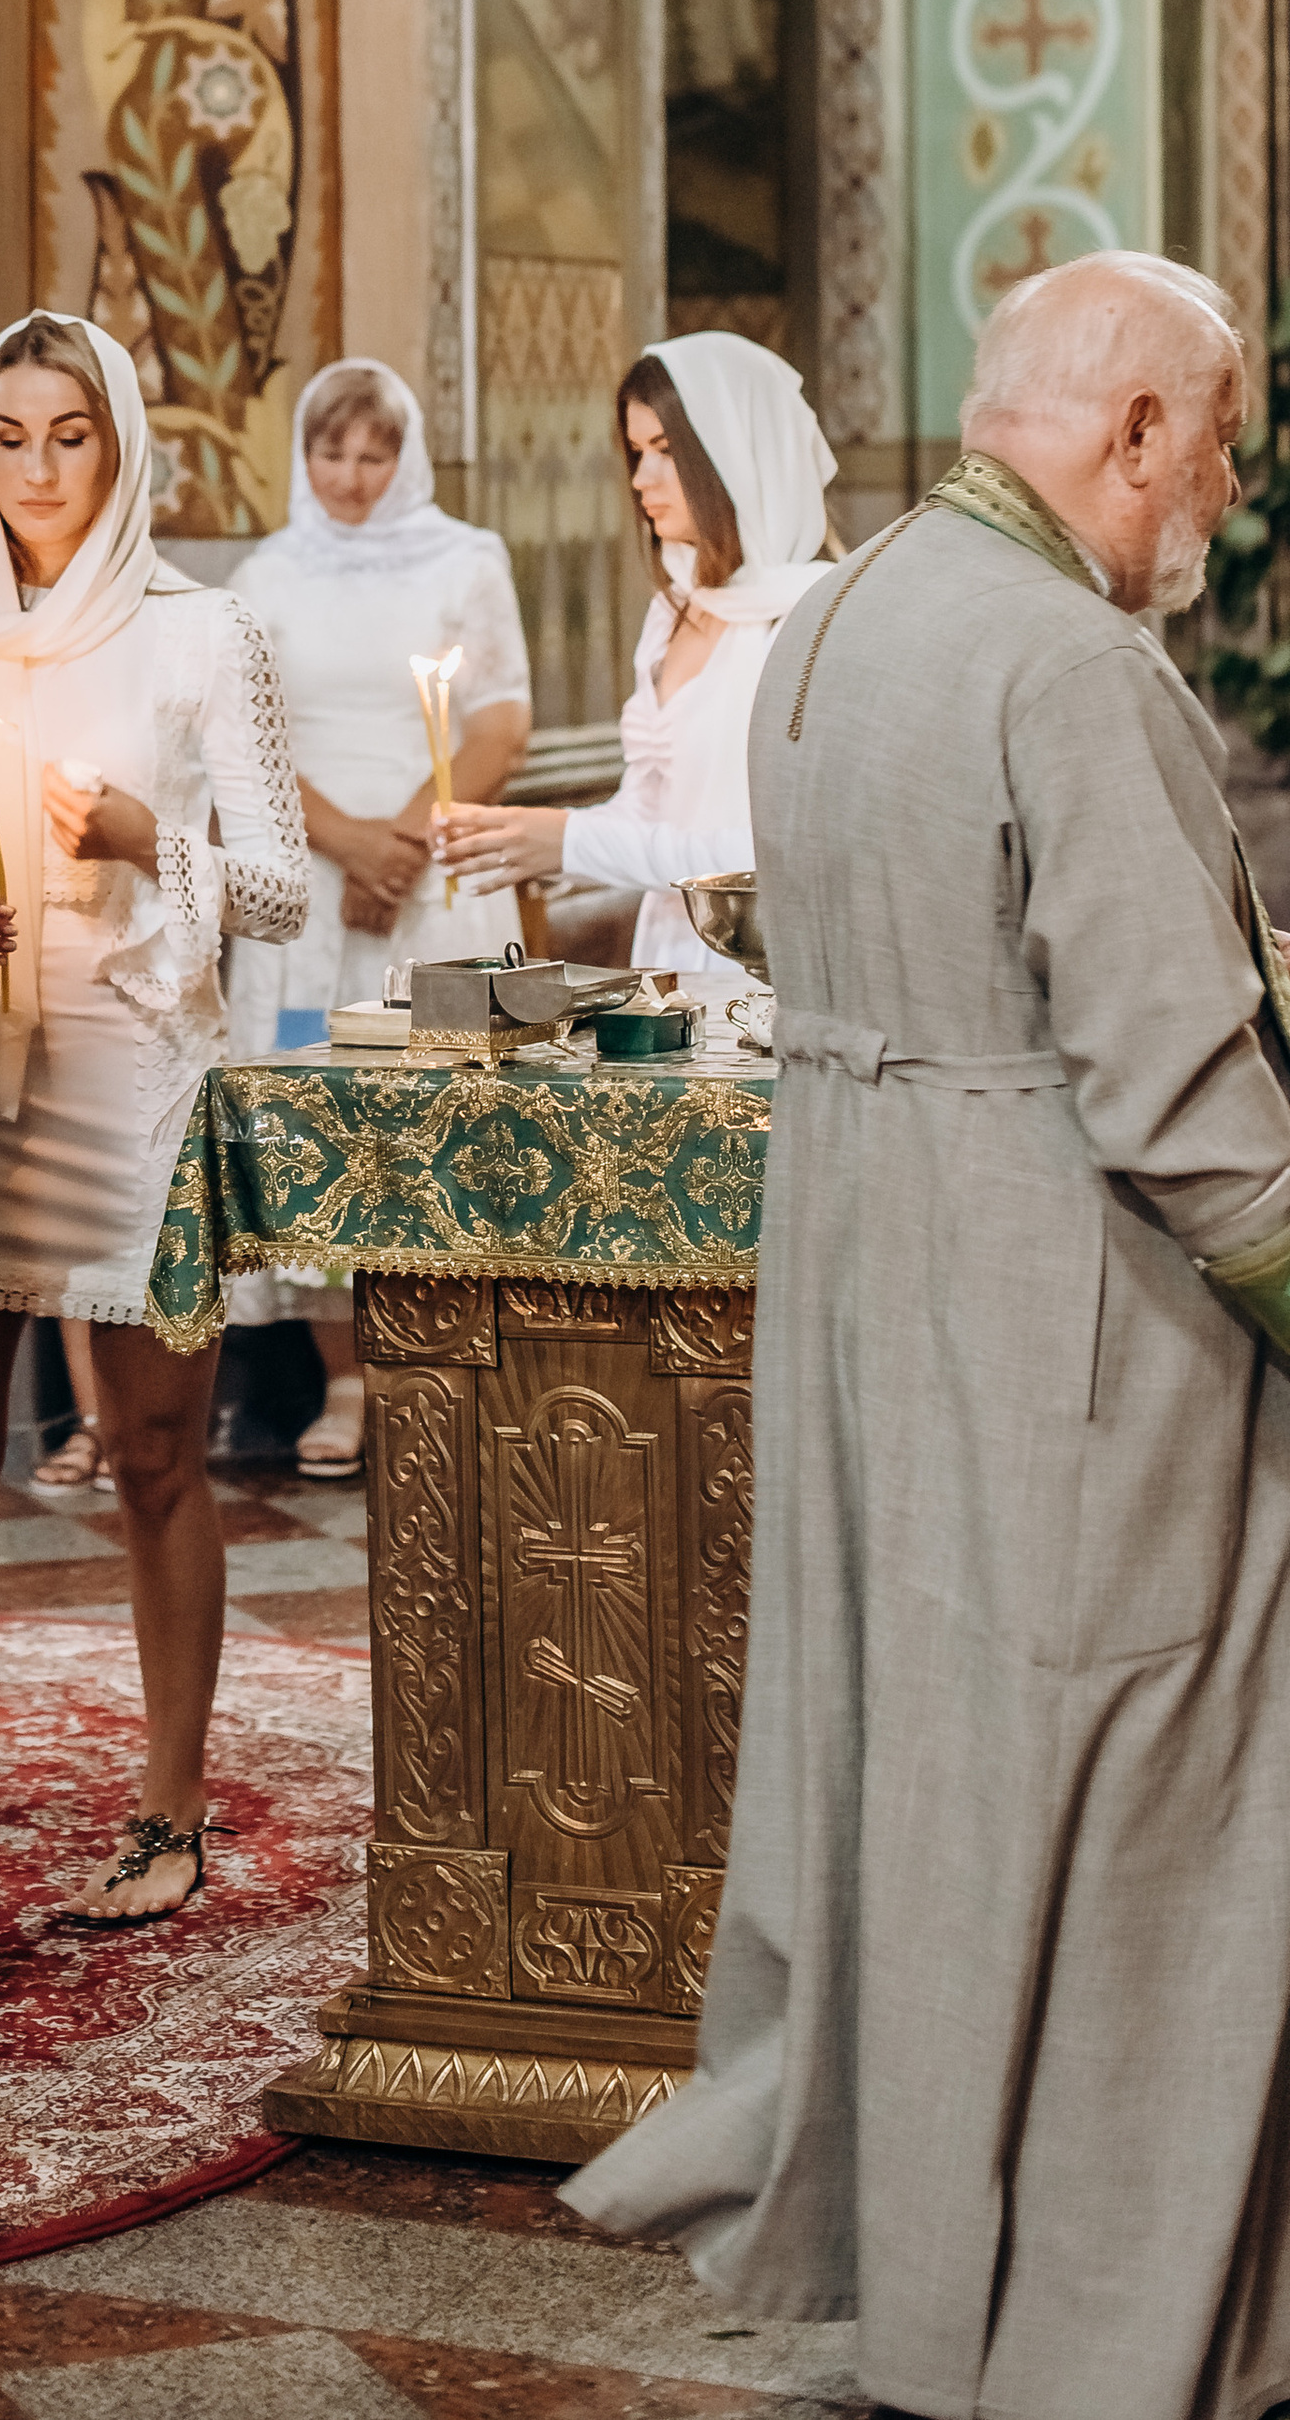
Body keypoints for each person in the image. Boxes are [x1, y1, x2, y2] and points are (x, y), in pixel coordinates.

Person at [564, 251, 1290, 2420]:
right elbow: (1179, 1111)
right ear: (1136, 428)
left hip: (886, 1286)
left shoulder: (848, 616)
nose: (1224, 489)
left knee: (941, 1808)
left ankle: (939, 2302)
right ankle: (1103, 2340)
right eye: (1220, 437)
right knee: (1123, 1828)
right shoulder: (1071, 667)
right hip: (1079, 1328)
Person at [0, 314, 306, 1962]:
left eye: (72, 438)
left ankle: (168, 1809)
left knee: (160, 1453)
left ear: (124, 448)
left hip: (135, 1072)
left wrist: (142, 832)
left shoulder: (202, 632)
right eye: (13, 437)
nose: (39, 473)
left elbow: (282, 880)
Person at [221, 359, 531, 1477]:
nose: (351, 476)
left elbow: (498, 720)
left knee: (436, 1109)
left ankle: (446, 1366)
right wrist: (345, 843)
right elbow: (245, 742)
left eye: (373, 452)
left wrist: (400, 843)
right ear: (302, 458)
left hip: (432, 884)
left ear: (408, 457)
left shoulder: (466, 558)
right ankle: (345, 1379)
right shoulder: (265, 574)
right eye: (330, 452)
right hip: (310, 887)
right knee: (319, 1117)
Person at [435, 329, 835, 992]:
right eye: (634, 451)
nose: (641, 479)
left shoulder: (809, 619)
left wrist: (568, 840)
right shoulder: (673, 610)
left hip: (768, 968)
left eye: (665, 451)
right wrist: (522, 840)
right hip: (671, 953)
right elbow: (651, 812)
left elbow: (771, 856)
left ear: (733, 453)